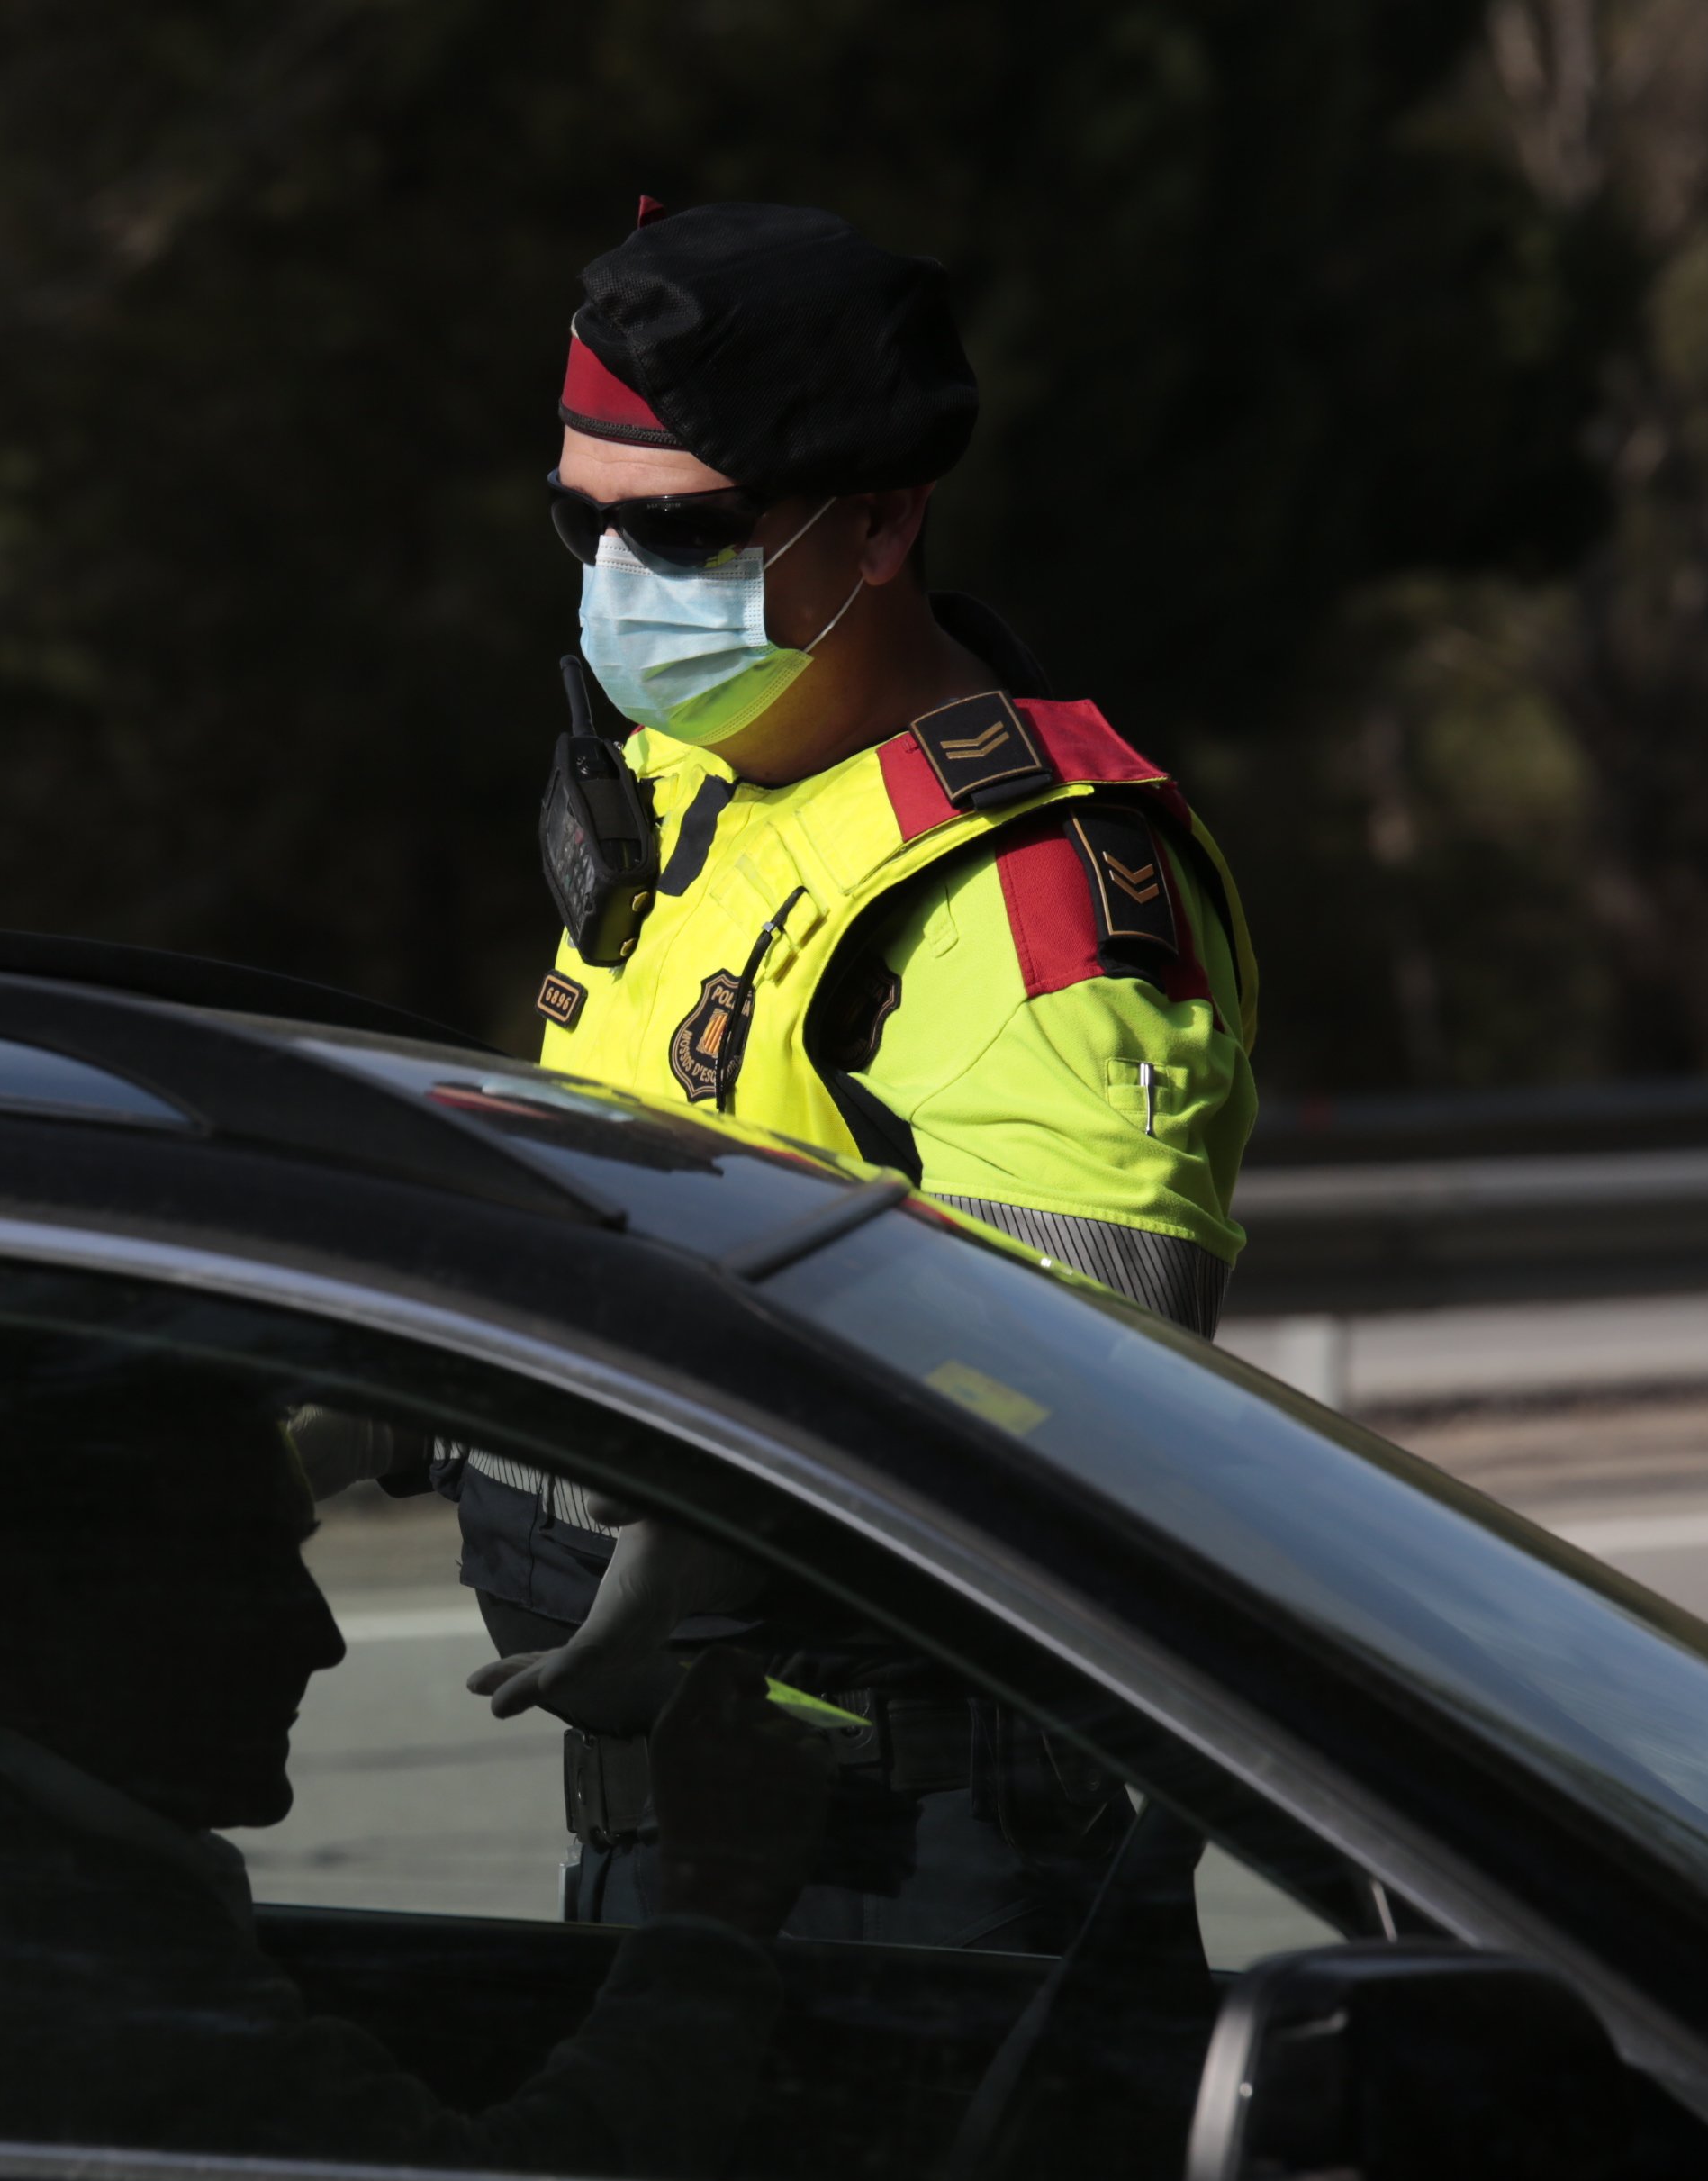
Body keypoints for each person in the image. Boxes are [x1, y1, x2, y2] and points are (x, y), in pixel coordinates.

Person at [451, 198, 1257, 1941]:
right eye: (576, 522)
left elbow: (1084, 1380)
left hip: (918, 1862)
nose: (614, 586)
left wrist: (732, 1520)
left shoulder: (1018, 890)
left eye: (690, 533)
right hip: (701, 1833)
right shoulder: (690, 781)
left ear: (882, 519)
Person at [0, 1335, 833, 2180]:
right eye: (248, 1570)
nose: (321, 1637)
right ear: (75, 1621)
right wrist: (708, 1918)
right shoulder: (79, 1983)